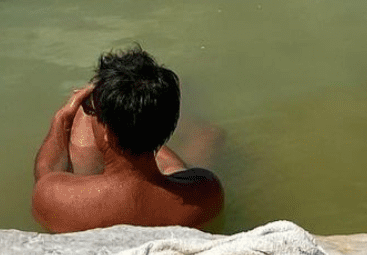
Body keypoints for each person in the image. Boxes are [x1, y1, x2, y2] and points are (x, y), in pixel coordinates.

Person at [32, 46, 224, 233]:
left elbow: (46, 173)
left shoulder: (55, 199)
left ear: (107, 132)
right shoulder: (207, 193)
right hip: (157, 170)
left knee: (81, 124)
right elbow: (176, 171)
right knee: (209, 135)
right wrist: (145, 129)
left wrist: (62, 119)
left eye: (93, 111)